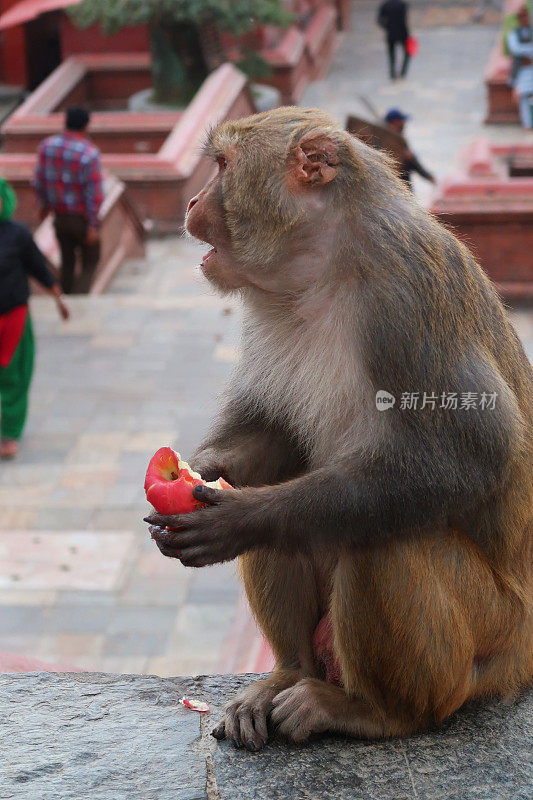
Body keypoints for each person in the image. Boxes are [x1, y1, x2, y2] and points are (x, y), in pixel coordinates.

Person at [0, 179, 69, 459]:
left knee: (14, 375)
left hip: (14, 315)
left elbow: (37, 267)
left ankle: (10, 432)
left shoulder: (17, 234)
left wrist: (58, 299)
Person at [33, 107, 104, 294]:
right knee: (91, 258)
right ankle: (79, 298)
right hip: (80, 218)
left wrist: (44, 205)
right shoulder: (89, 153)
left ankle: (67, 295)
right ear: (86, 126)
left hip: (59, 216)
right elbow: (95, 193)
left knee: (67, 261)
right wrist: (93, 225)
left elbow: (39, 181)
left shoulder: (47, 146)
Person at [384, 108, 436, 190]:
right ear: (394, 122)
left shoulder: (398, 140)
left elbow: (413, 162)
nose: (404, 123)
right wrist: (430, 177)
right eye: (401, 121)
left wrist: (429, 177)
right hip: (398, 190)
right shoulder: (390, 142)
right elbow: (413, 162)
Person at [506, 6, 533, 129]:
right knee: (522, 97)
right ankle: (527, 124)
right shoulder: (514, 34)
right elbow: (516, 49)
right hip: (522, 70)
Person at [377, 0, 411, 80]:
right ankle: (403, 73)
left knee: (391, 54)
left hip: (391, 32)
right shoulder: (403, 5)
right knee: (408, 53)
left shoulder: (385, 5)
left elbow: (379, 21)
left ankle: (393, 73)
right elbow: (404, 20)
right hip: (403, 32)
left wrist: (387, 27)